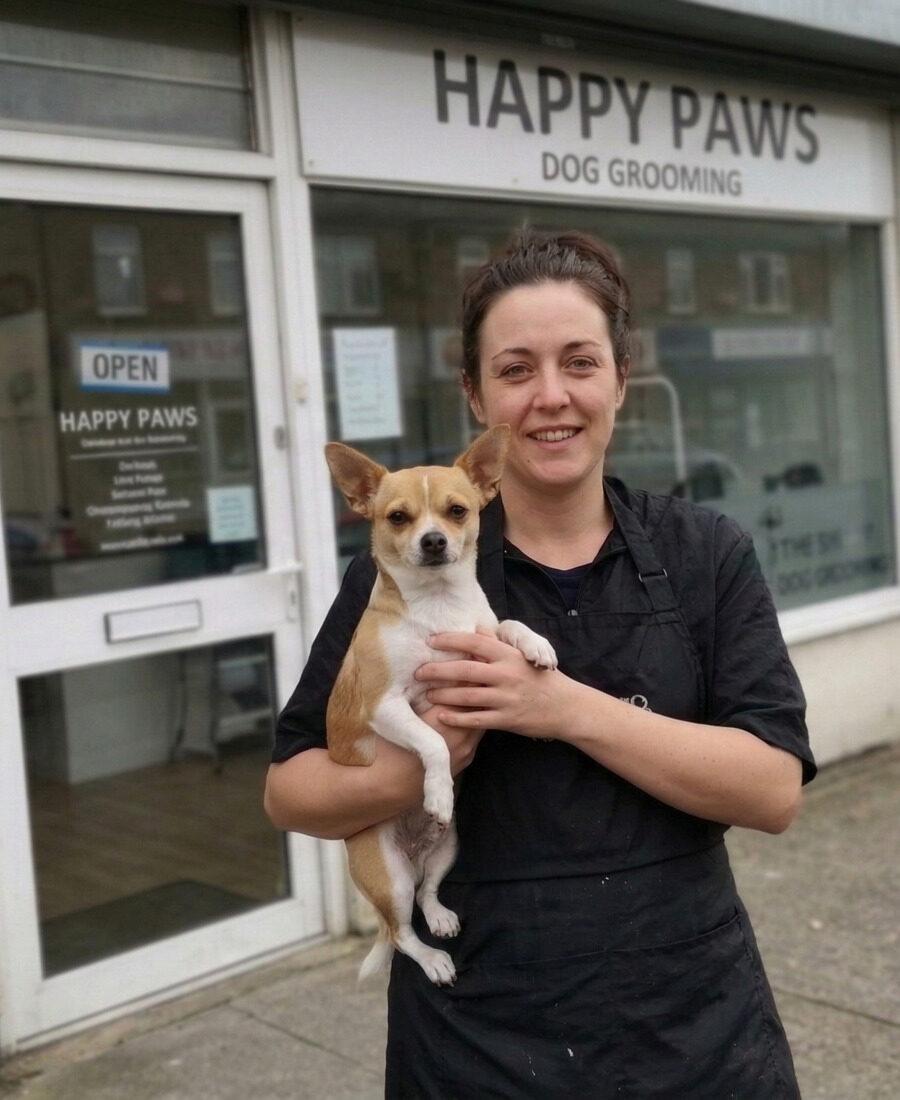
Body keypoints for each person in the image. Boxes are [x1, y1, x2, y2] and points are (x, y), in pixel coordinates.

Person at [265, 229, 816, 1098]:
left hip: (692, 1031)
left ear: (621, 381)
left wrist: (561, 708)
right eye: (516, 370)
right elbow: (289, 791)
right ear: (476, 394)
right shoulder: (399, 574)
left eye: (580, 363)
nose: (550, 396)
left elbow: (772, 792)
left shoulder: (705, 552)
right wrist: (420, 765)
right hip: (475, 1034)